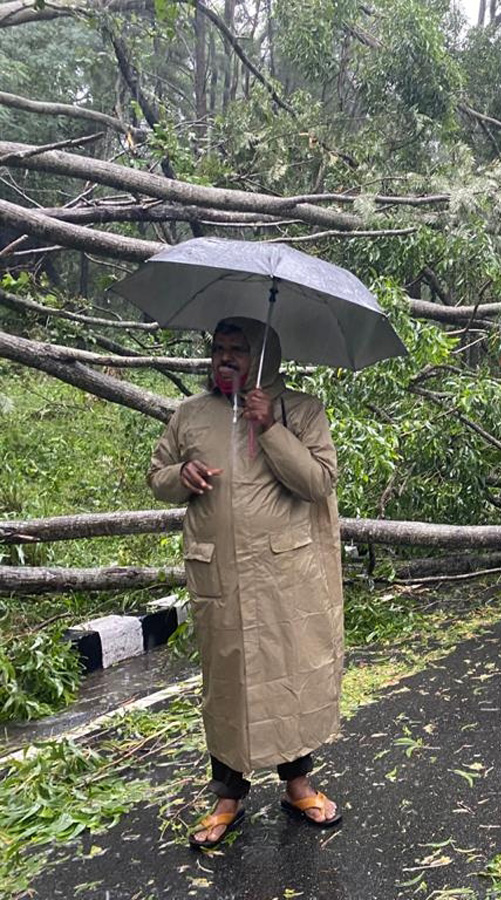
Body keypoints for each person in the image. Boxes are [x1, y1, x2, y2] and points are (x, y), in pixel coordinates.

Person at [148, 318, 343, 849]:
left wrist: (270, 428)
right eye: (219, 349)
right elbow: (158, 475)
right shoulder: (190, 414)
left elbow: (317, 482)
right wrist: (179, 476)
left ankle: (298, 784)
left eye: (239, 350)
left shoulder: (301, 410)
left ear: (265, 359)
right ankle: (227, 796)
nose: (225, 358)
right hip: (221, 576)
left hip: (285, 576)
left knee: (288, 675)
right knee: (228, 683)